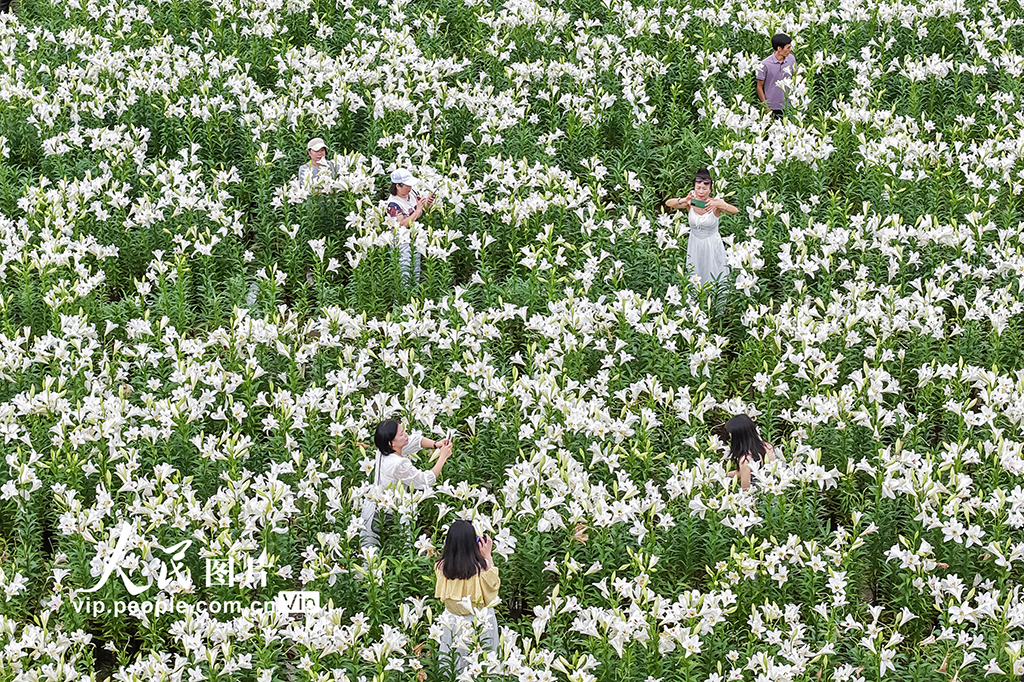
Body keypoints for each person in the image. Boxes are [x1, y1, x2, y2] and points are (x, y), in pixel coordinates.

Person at [359, 420, 452, 548]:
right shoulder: (399, 464)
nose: (406, 435)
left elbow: (414, 440)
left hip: (374, 506)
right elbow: (425, 481)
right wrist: (442, 458)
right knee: (401, 548)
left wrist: (436, 444)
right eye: (402, 434)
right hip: (391, 514)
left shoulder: (382, 450)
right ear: (391, 443)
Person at [434, 519, 500, 673]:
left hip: (451, 622)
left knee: (453, 665)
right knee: (483, 666)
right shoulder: (482, 568)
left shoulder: (441, 567)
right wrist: (488, 556)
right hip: (480, 621)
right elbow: (493, 591)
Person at [665, 168, 739, 288]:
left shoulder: (715, 205)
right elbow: (669, 203)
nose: (701, 191)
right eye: (698, 188)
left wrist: (718, 203)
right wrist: (685, 200)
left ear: (710, 190)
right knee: (695, 273)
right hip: (694, 244)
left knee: (713, 273)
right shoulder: (692, 203)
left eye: (704, 189)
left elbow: (735, 211)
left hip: (712, 245)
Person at [385, 168, 434, 285]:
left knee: (415, 275)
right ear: (398, 186)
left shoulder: (411, 193)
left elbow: (422, 207)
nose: (410, 186)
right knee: (404, 278)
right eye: (407, 184)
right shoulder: (393, 204)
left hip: (414, 239)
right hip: (402, 245)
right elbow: (401, 225)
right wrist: (417, 211)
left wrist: (428, 202)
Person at [724, 414, 777, 490]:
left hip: (758, 499)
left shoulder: (745, 460)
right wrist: (732, 474)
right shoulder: (768, 447)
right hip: (774, 493)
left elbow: (745, 491)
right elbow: (762, 470)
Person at [756, 33, 795, 120]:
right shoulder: (765, 64)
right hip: (772, 107)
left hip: (789, 105)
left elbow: (796, 76)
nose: (790, 50)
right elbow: (759, 87)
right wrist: (766, 107)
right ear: (779, 48)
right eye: (788, 47)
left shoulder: (791, 59)